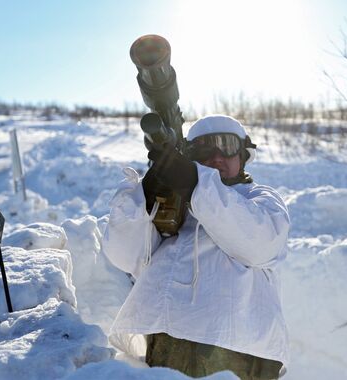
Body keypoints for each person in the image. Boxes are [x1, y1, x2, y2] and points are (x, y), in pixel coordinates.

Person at [103, 115, 290, 379]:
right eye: (203, 149)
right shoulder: (174, 209)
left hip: (239, 350)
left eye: (225, 145)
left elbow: (259, 244)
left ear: (243, 155)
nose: (216, 157)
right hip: (167, 342)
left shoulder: (261, 201)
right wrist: (144, 199)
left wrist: (195, 184)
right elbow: (127, 257)